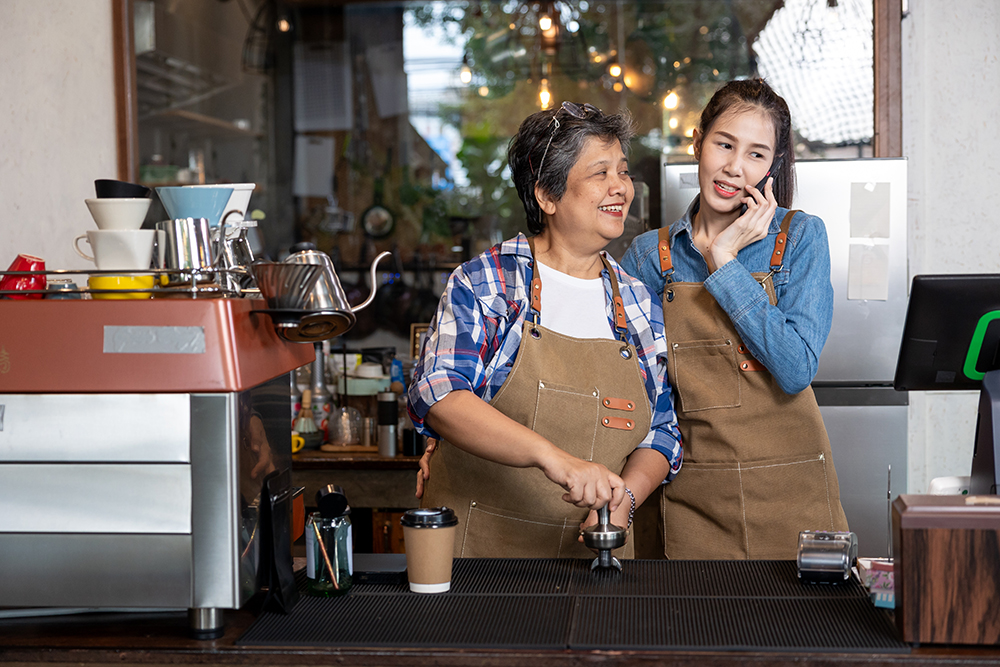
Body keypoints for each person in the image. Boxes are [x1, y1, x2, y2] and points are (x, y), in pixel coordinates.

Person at [407, 101, 683, 559]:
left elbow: (662, 431)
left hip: (595, 556)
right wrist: (558, 460)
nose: (621, 187)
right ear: (547, 196)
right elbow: (439, 396)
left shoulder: (636, 302)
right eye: (600, 173)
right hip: (481, 557)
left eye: (623, 170)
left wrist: (625, 500)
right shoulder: (488, 284)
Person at [621, 78, 849, 560]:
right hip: (692, 495)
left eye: (756, 154)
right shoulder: (649, 256)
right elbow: (625, 380)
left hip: (792, 493)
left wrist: (723, 263)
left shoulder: (801, 237)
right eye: (724, 144)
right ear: (698, 141)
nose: (735, 168)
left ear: (773, 166)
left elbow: (795, 368)